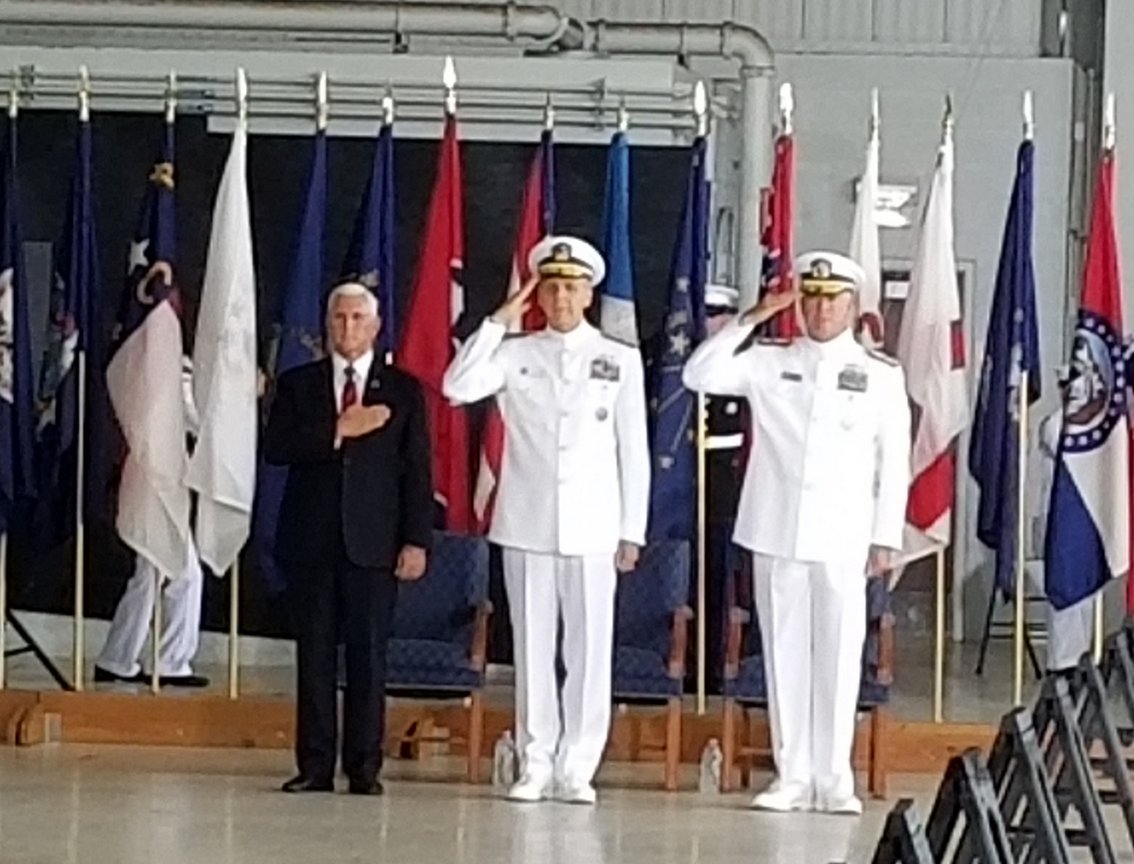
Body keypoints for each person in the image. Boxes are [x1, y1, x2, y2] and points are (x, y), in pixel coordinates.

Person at [682, 250, 910, 814]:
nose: (821, 308)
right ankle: (791, 773)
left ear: (854, 306)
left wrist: (885, 535)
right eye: (811, 297)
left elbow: (894, 459)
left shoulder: (881, 374)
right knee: (783, 653)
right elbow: (699, 375)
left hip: (844, 533)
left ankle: (834, 777)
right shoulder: (768, 359)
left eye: (832, 298)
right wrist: (754, 317)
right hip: (776, 528)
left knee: (837, 654)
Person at [443, 235, 650, 805]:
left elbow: (633, 449)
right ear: (538, 294)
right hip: (527, 521)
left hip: (594, 525)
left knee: (588, 650)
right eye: (552, 287)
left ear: (589, 293)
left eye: (572, 287)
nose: (561, 297)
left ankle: (578, 764)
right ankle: (536, 761)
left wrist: (632, 530)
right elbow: (456, 387)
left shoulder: (620, 359)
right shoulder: (515, 352)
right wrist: (495, 324)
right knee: (533, 647)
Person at [264, 282, 432, 796]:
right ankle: (315, 765)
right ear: (327, 324)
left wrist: (416, 540)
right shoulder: (298, 384)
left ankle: (364, 767)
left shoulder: (403, 390)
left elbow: (417, 471)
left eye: (359, 319)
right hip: (311, 544)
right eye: (339, 318)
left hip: (375, 546)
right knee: (313, 657)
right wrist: (339, 429)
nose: (348, 328)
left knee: (368, 657)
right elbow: (276, 448)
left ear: (377, 326)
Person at [95, 356, 207, 688]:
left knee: (156, 574)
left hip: (158, 477)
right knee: (166, 572)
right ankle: (155, 659)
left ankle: (123, 656)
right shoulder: (169, 361)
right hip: (156, 478)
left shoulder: (144, 357)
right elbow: (193, 420)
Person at [1035, 367, 1095, 673]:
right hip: (1059, 522)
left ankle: (1079, 658)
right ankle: (1063, 662)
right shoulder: (1057, 424)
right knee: (1063, 597)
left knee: (1084, 600)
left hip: (1082, 523)